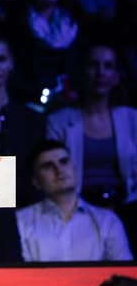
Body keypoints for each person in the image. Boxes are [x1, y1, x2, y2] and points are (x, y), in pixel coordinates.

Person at [45, 41, 137, 254]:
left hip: (128, 208)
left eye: (108, 66)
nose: (101, 72)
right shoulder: (59, 121)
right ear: (83, 72)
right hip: (76, 209)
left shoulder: (132, 119)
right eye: (94, 65)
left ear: (117, 76)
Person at [15, 138, 133, 262]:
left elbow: (124, 271)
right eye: (48, 166)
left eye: (64, 162)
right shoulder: (21, 221)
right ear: (36, 181)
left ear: (74, 169)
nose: (59, 170)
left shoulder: (107, 221)